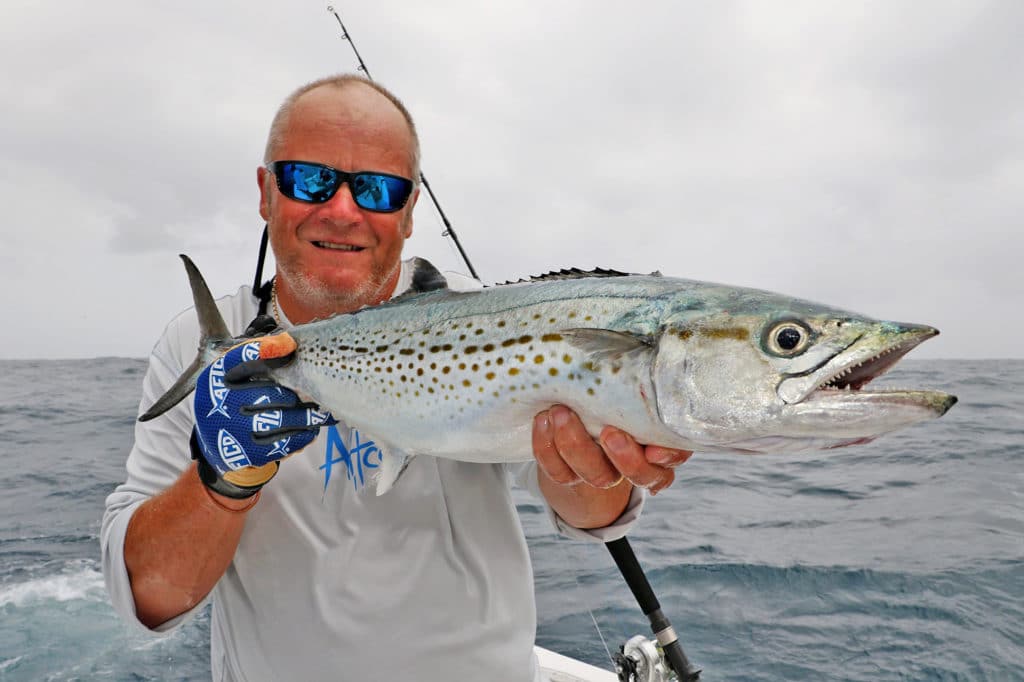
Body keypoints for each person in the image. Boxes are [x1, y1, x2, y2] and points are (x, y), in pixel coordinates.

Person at [101, 74, 692, 682]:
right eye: (310, 179)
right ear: (265, 191)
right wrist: (219, 481)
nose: (342, 210)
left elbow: (594, 512)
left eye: (379, 191)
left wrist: (595, 467)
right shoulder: (199, 344)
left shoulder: (487, 318)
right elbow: (151, 596)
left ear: (409, 213)